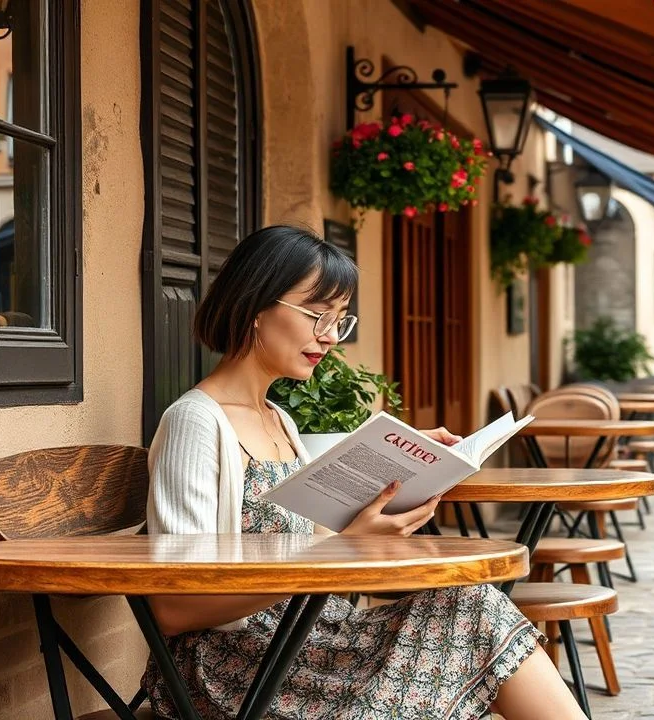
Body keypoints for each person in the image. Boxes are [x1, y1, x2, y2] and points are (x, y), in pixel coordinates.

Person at [142, 225, 585, 720]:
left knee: (471, 604)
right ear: (255, 305)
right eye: (317, 316)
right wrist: (345, 547)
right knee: (473, 613)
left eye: (339, 321)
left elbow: (309, 545)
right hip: (233, 668)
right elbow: (174, 608)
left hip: (309, 639)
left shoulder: (279, 421)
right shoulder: (196, 422)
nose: (330, 337)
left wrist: (403, 477)